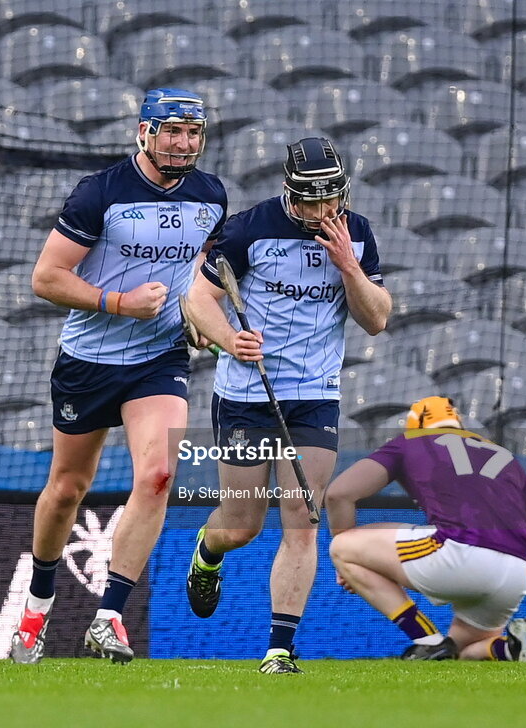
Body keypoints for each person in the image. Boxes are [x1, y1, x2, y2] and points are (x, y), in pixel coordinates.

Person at [9, 89, 227, 664]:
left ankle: (109, 617)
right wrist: (118, 302)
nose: (184, 143)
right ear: (144, 132)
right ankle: (37, 604)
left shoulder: (211, 195)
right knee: (66, 491)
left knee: (157, 477)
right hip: (89, 363)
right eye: (172, 131)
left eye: (193, 133)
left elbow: (200, 270)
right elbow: (46, 277)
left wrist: (198, 314)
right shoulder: (99, 193)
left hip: (160, 361)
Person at [183, 137, 392, 674]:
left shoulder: (357, 233)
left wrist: (349, 266)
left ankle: (279, 649)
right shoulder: (250, 228)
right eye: (311, 202)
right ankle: (207, 551)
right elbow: (198, 299)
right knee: (242, 525)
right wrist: (230, 340)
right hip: (247, 396)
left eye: (332, 201)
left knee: (302, 517)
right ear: (289, 193)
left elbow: (378, 318)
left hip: (315, 396)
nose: (323, 213)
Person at [326, 395, 526, 662]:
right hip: (517, 572)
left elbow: (338, 494)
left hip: (460, 553)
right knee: (463, 652)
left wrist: (346, 562)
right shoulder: (503, 457)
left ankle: (426, 639)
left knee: (342, 547)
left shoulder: (409, 441)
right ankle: (511, 647)